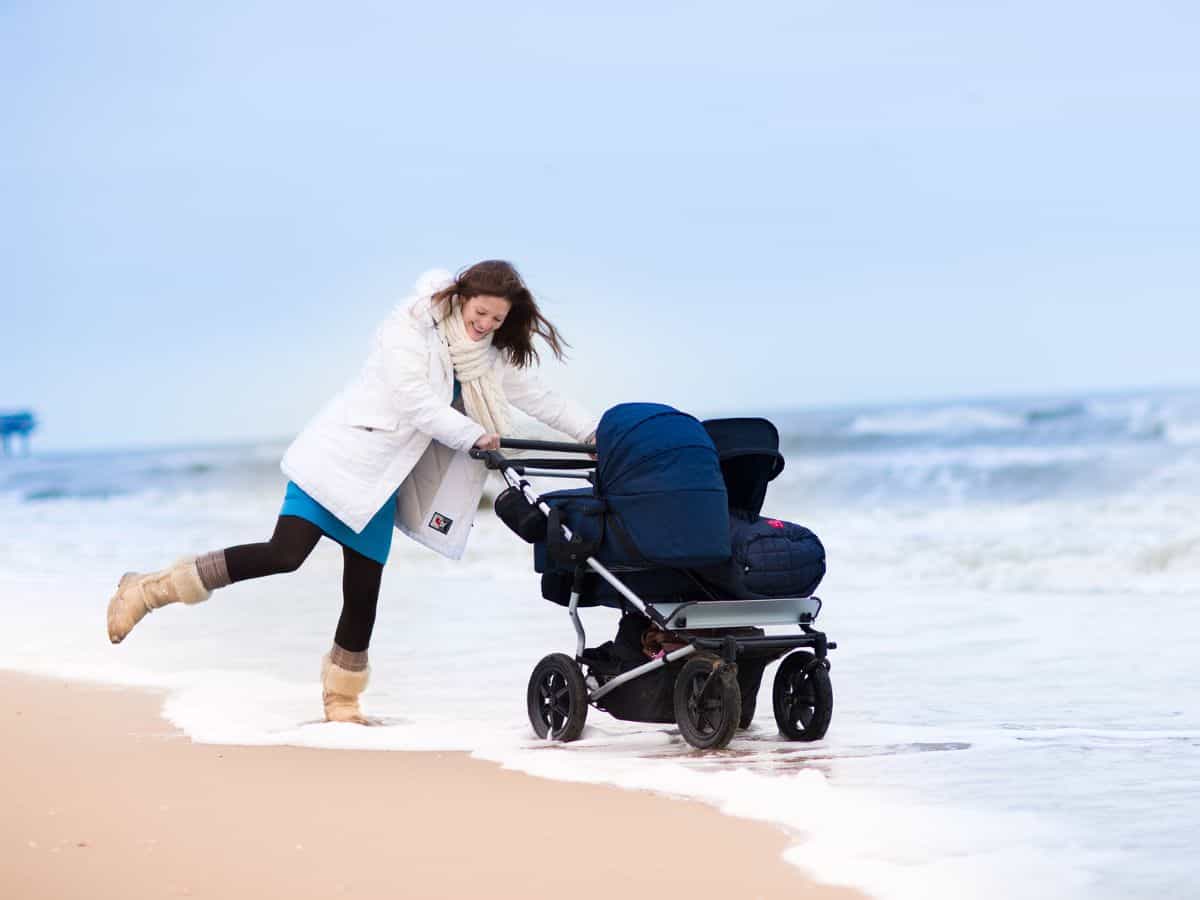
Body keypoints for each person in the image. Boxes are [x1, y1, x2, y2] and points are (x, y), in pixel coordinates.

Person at [105, 261, 598, 724]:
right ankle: (150, 590)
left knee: (363, 590)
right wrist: (471, 435)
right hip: (340, 460)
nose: (486, 324)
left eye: (498, 318)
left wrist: (599, 434)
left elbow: (542, 400)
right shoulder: (408, 329)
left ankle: (342, 699)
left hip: (382, 483)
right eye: (480, 313)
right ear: (459, 298)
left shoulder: (485, 361)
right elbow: (413, 400)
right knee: (285, 554)